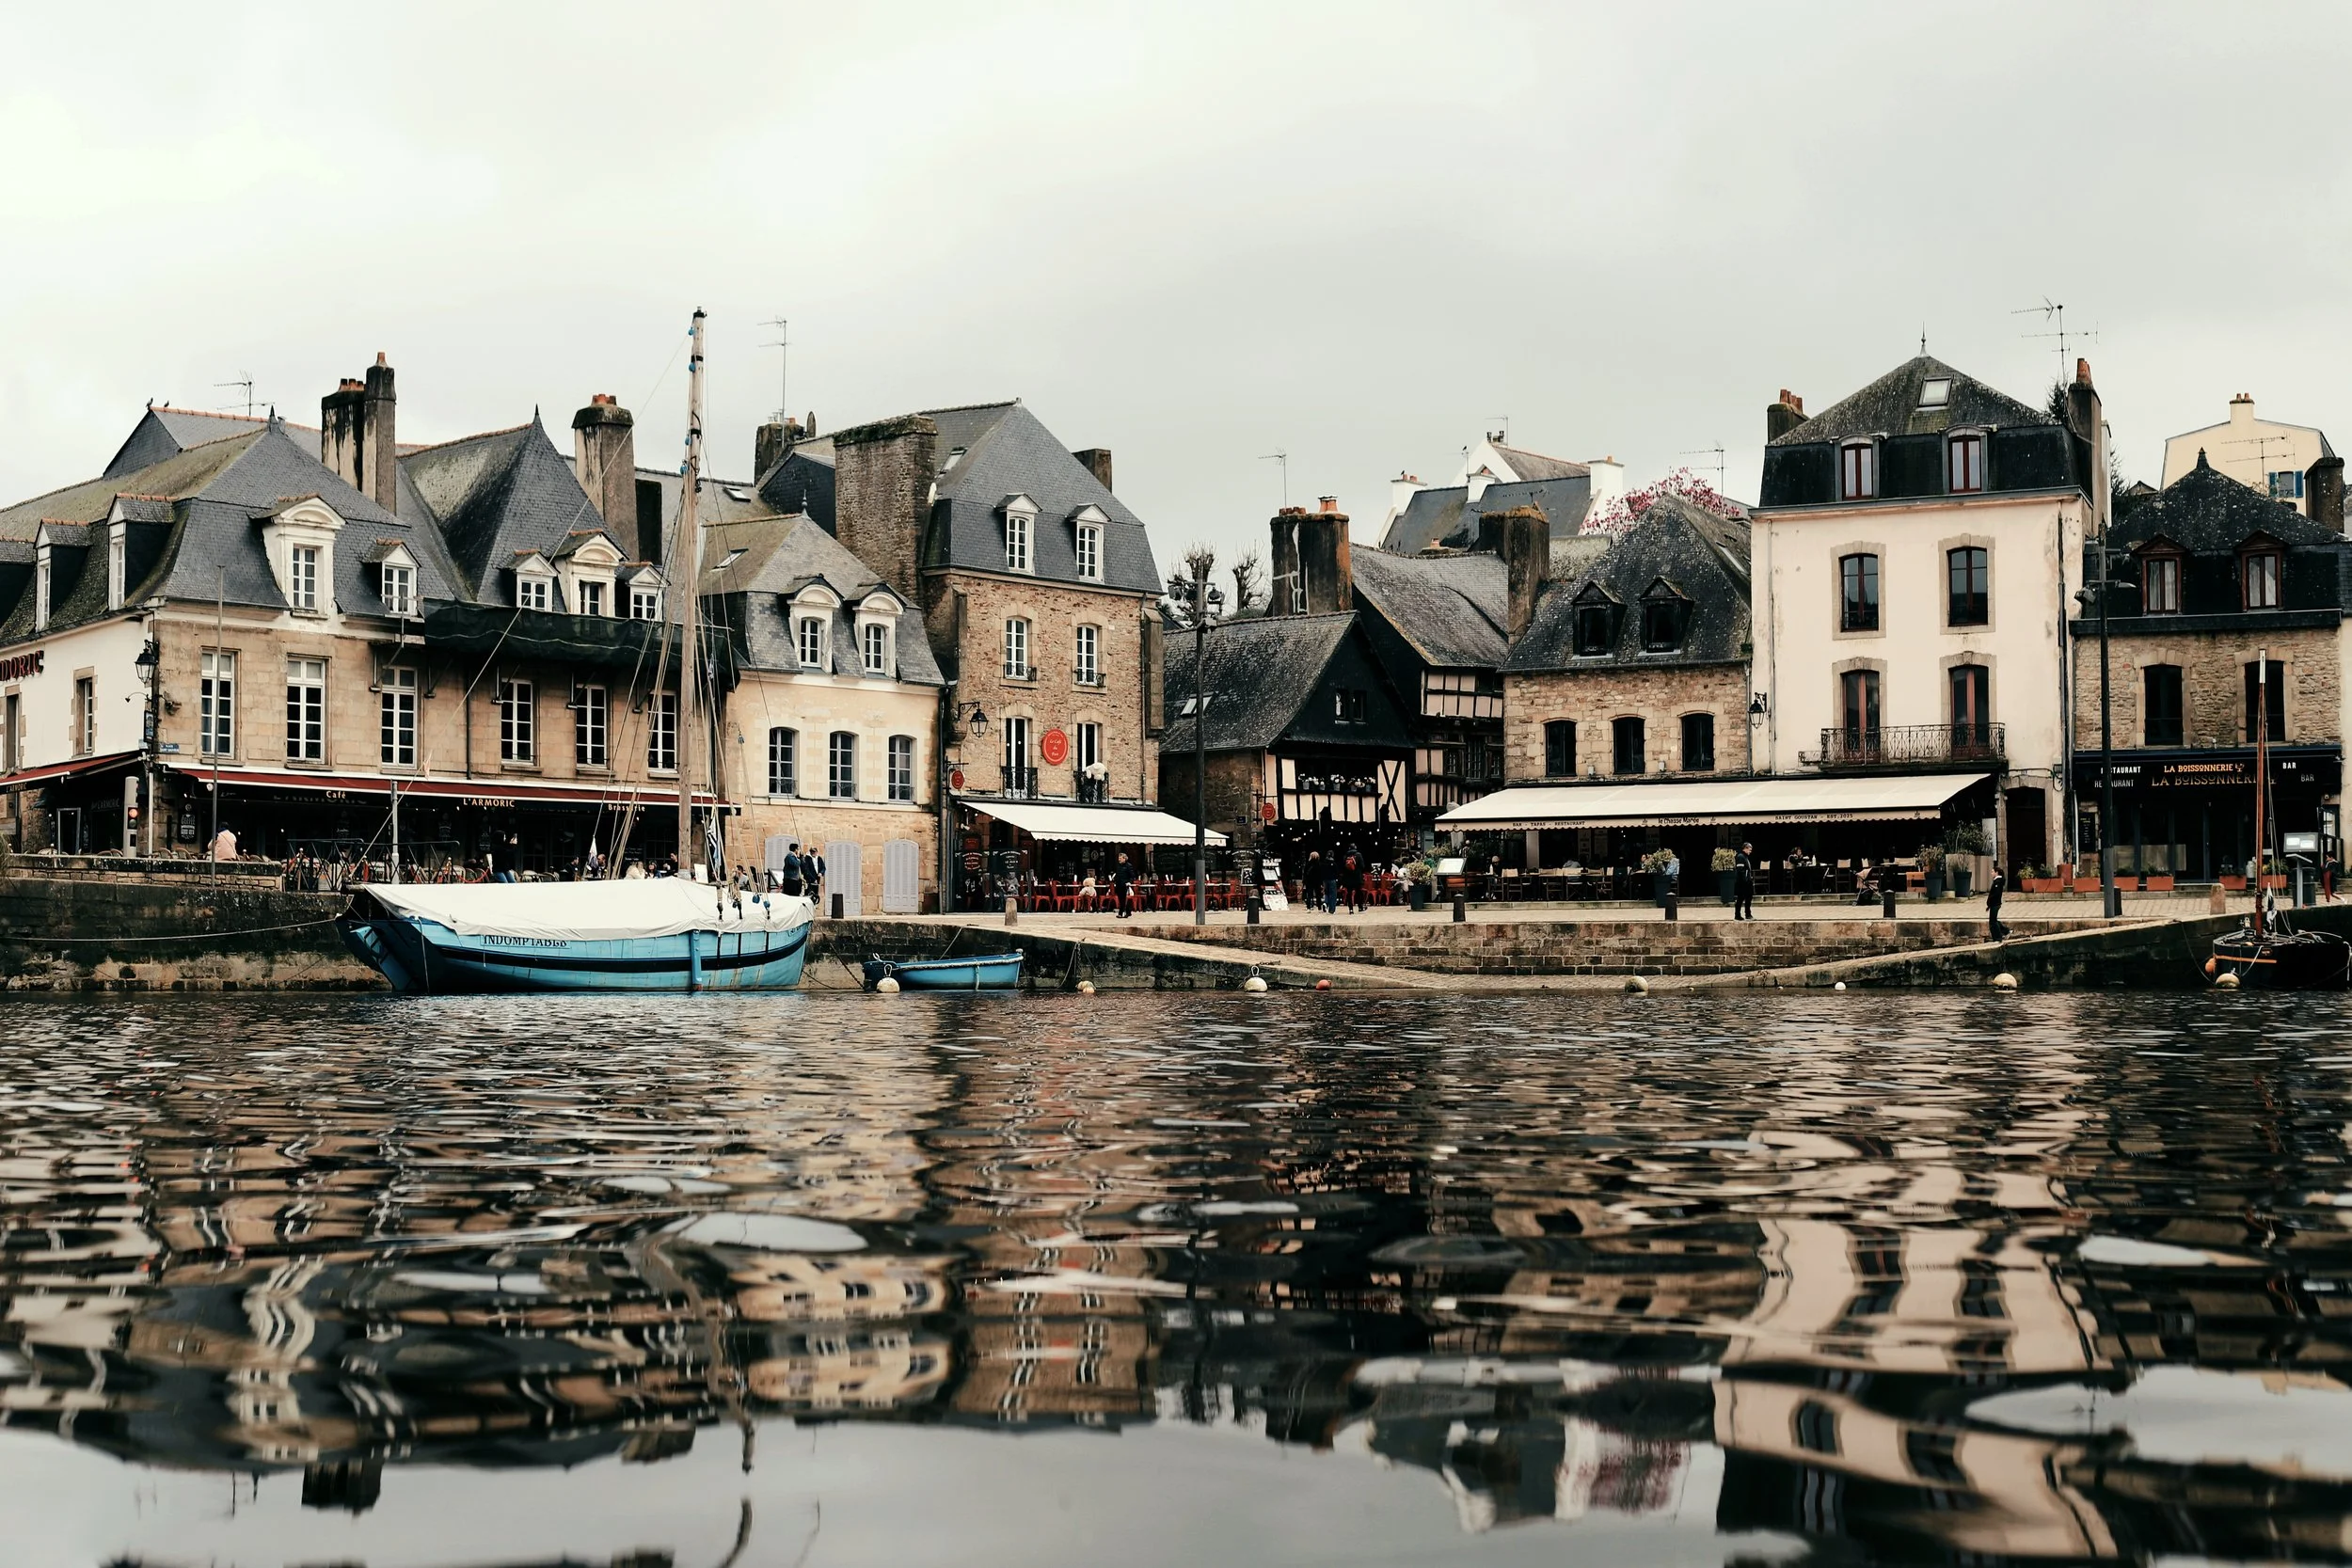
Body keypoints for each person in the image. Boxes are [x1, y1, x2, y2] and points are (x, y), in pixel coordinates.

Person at [1111, 850, 1139, 919]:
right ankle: (1128, 911)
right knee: (1121, 899)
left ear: (1124, 858)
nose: (1119, 860)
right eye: (1119, 858)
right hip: (1118, 884)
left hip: (1125, 884)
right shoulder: (1118, 866)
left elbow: (1132, 876)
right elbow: (1117, 874)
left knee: (1123, 899)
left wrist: (1129, 882)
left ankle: (1121, 913)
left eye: (1120, 858)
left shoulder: (1128, 866)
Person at [1734, 841, 1756, 921]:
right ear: (1745, 848)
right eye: (1750, 849)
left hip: (1746, 881)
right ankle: (1738, 915)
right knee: (1740, 898)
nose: (1751, 850)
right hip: (1743, 883)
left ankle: (1748, 914)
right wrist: (1745, 880)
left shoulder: (1745, 857)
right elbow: (1740, 870)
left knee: (1748, 898)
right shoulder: (1741, 857)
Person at [1985, 863, 2009, 941]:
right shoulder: (1997, 881)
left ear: (1997, 872)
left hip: (1995, 904)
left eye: (1992, 872)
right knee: (1994, 920)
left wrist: (1990, 902)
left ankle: (1998, 937)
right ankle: (2005, 931)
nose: (1991, 873)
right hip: (1994, 904)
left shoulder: (1997, 882)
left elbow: (1996, 894)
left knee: (1992, 922)